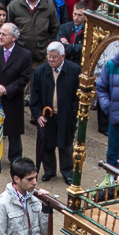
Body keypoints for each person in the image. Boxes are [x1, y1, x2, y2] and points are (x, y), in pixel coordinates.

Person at [30, 41, 79, 184]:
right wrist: (38, 114)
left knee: (66, 144)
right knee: (47, 144)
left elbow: (78, 94)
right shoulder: (40, 71)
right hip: (47, 115)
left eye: (54, 57)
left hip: (66, 115)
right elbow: (35, 96)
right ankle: (49, 171)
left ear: (63, 56)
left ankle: (67, 171)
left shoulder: (74, 70)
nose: (51, 60)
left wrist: (73, 111)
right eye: (49, 57)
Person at [0, 22, 33, 161]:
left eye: (4, 34)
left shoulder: (25, 54)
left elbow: (24, 78)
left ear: (14, 37)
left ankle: (15, 158)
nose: (0, 36)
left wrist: (6, 89)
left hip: (13, 98)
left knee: (14, 131)